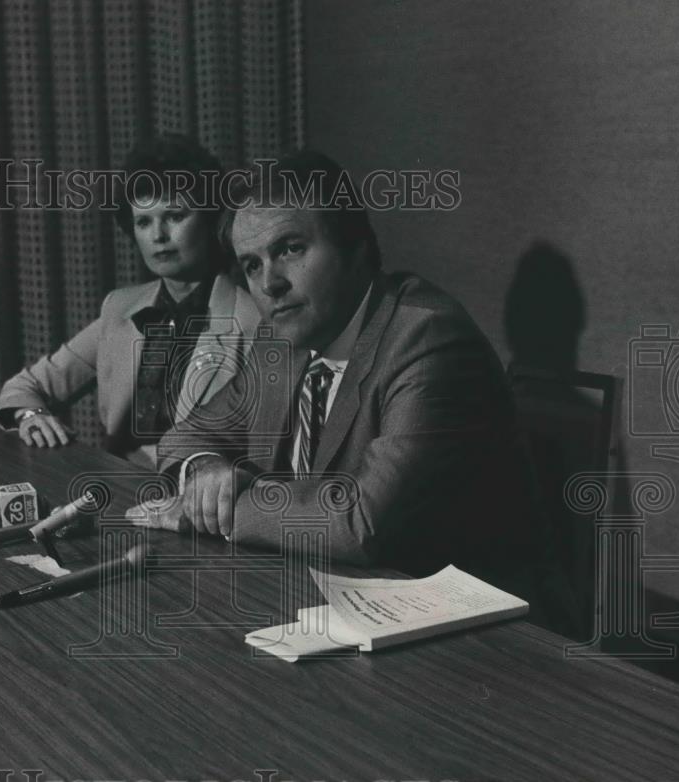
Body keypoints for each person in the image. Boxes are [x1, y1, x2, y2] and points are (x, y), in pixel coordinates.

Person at [156, 150, 577, 631]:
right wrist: (207, 469)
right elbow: (185, 438)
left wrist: (226, 506)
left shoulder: (427, 338)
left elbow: (362, 524)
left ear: (354, 246)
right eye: (252, 265)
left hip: (484, 631)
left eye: (290, 248)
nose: (269, 284)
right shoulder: (282, 344)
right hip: (331, 605)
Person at [0, 134, 260, 468]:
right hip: (116, 487)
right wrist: (31, 414)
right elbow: (27, 385)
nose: (158, 236)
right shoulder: (119, 308)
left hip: (200, 506)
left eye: (175, 216)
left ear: (210, 219)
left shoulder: (253, 321)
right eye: (143, 222)